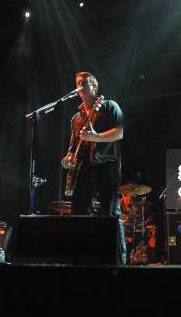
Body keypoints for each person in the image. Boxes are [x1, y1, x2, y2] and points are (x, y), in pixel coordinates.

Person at [61, 71, 127, 264]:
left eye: (84, 82)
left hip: (106, 165)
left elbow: (120, 132)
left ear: (94, 86)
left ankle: (119, 261)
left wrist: (96, 137)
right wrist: (68, 158)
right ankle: (82, 259)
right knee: (79, 212)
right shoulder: (76, 118)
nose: (80, 86)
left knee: (110, 212)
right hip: (83, 169)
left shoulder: (108, 106)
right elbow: (73, 148)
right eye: (78, 83)